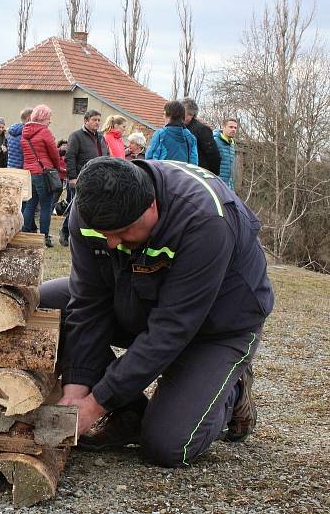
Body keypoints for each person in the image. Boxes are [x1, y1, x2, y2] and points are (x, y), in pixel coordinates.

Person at [40, 157, 274, 467]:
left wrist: (95, 404)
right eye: (104, 232)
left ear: (152, 206)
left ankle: (232, 390)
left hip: (215, 327)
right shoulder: (90, 209)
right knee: (43, 305)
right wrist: (76, 390)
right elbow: (88, 302)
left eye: (123, 232)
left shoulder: (205, 220)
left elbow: (171, 329)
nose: (111, 243)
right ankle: (128, 412)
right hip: (137, 299)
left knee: (166, 445)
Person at [61, 109, 107, 247]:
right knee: (77, 207)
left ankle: (88, 236)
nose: (97, 122)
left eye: (99, 120)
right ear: (86, 121)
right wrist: (72, 177)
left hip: (99, 179)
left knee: (95, 208)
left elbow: (106, 155)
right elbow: (70, 157)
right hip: (81, 178)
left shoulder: (101, 137)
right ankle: (65, 232)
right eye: (94, 120)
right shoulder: (76, 136)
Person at [21, 105, 60, 248]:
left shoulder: (25, 132)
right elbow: (54, 153)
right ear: (43, 118)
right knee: (46, 206)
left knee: (30, 204)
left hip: (29, 172)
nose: (50, 121)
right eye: (49, 118)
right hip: (44, 172)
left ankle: (24, 232)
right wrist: (56, 167)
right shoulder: (45, 132)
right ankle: (44, 236)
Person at [146, 101, 198, 165]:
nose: (163, 117)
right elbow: (193, 164)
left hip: (163, 173)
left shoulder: (160, 134)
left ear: (169, 115)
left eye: (164, 114)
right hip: (182, 174)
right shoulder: (191, 138)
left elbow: (150, 160)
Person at [182, 97, 222, 174]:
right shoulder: (180, 128)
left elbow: (214, 156)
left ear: (191, 115)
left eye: (183, 113)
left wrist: (213, 176)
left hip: (200, 174)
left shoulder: (202, 130)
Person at [214, 118, 238, 189]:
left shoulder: (231, 144)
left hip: (229, 185)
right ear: (223, 127)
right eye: (231, 127)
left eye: (235, 128)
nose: (233, 129)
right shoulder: (215, 141)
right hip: (217, 184)